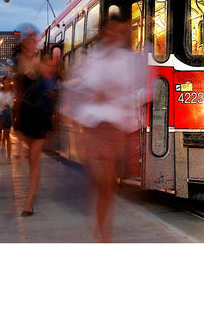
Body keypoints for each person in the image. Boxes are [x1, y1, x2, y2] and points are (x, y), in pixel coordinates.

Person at [65, 16, 144, 242]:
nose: (116, 36)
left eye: (120, 32)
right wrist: (94, 95)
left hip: (116, 127)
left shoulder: (128, 60)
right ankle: (103, 232)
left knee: (108, 183)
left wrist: (116, 95)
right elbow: (75, 87)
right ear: (104, 32)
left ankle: (101, 226)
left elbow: (139, 92)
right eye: (113, 31)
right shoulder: (91, 59)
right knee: (101, 180)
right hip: (93, 125)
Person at [13, 29, 60, 217]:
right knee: (30, 158)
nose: (31, 42)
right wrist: (16, 118)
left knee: (34, 159)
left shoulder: (43, 63)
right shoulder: (19, 65)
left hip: (40, 116)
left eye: (34, 40)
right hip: (26, 117)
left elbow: (53, 84)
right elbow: (18, 92)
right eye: (28, 40)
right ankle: (31, 194)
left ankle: (29, 201)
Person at [0, 76, 15, 163]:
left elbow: (12, 103)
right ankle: (1, 155)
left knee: (7, 136)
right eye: (5, 81)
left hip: (8, 114)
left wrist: (8, 105)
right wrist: (3, 104)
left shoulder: (12, 91)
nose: (7, 83)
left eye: (8, 81)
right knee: (0, 137)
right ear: (3, 82)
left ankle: (9, 157)